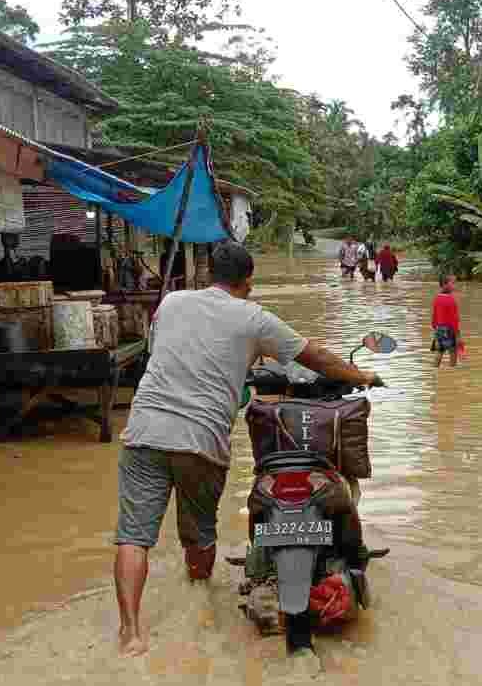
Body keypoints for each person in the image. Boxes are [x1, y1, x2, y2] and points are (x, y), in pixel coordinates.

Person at [114, 240, 383, 657]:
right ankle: (200, 598)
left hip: (143, 429)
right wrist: (361, 375)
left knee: (133, 537)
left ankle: (130, 633)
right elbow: (315, 357)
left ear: (209, 274)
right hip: (200, 440)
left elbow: (171, 354)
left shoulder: (171, 303)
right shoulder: (254, 318)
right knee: (199, 536)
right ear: (249, 281)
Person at [432, 273, 462, 367]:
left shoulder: (437, 298)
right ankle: (452, 370)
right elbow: (454, 319)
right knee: (453, 352)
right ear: (445, 285)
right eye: (453, 283)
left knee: (439, 351)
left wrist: (435, 328)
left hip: (439, 328)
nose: (454, 285)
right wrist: (458, 334)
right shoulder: (451, 300)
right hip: (450, 329)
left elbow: (434, 316)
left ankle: (435, 368)